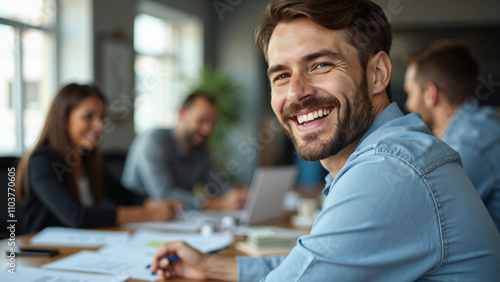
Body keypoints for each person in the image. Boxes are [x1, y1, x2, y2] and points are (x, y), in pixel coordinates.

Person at [150, 0, 500, 281]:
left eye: (319, 65)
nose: (296, 93)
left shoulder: (389, 170)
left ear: (377, 74)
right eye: (282, 75)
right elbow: (313, 262)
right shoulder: (383, 157)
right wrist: (213, 268)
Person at [16, 83, 176, 234]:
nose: (100, 126)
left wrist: (153, 204)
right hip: (43, 253)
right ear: (64, 119)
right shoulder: (41, 161)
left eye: (101, 117)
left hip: (80, 246)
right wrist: (148, 214)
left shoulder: (85, 158)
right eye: (88, 116)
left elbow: (126, 196)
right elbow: (77, 216)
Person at [404, 41, 500, 232]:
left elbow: (422, 222)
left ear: (430, 94)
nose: (408, 105)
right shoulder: (477, 128)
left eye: (410, 93)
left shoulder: (468, 145)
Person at [122, 93, 248, 210]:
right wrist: (218, 204)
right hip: (135, 218)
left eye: (212, 123)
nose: (208, 130)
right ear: (182, 113)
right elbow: (164, 195)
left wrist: (240, 195)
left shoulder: (200, 149)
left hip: (174, 222)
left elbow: (216, 184)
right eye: (202, 120)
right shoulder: (153, 143)